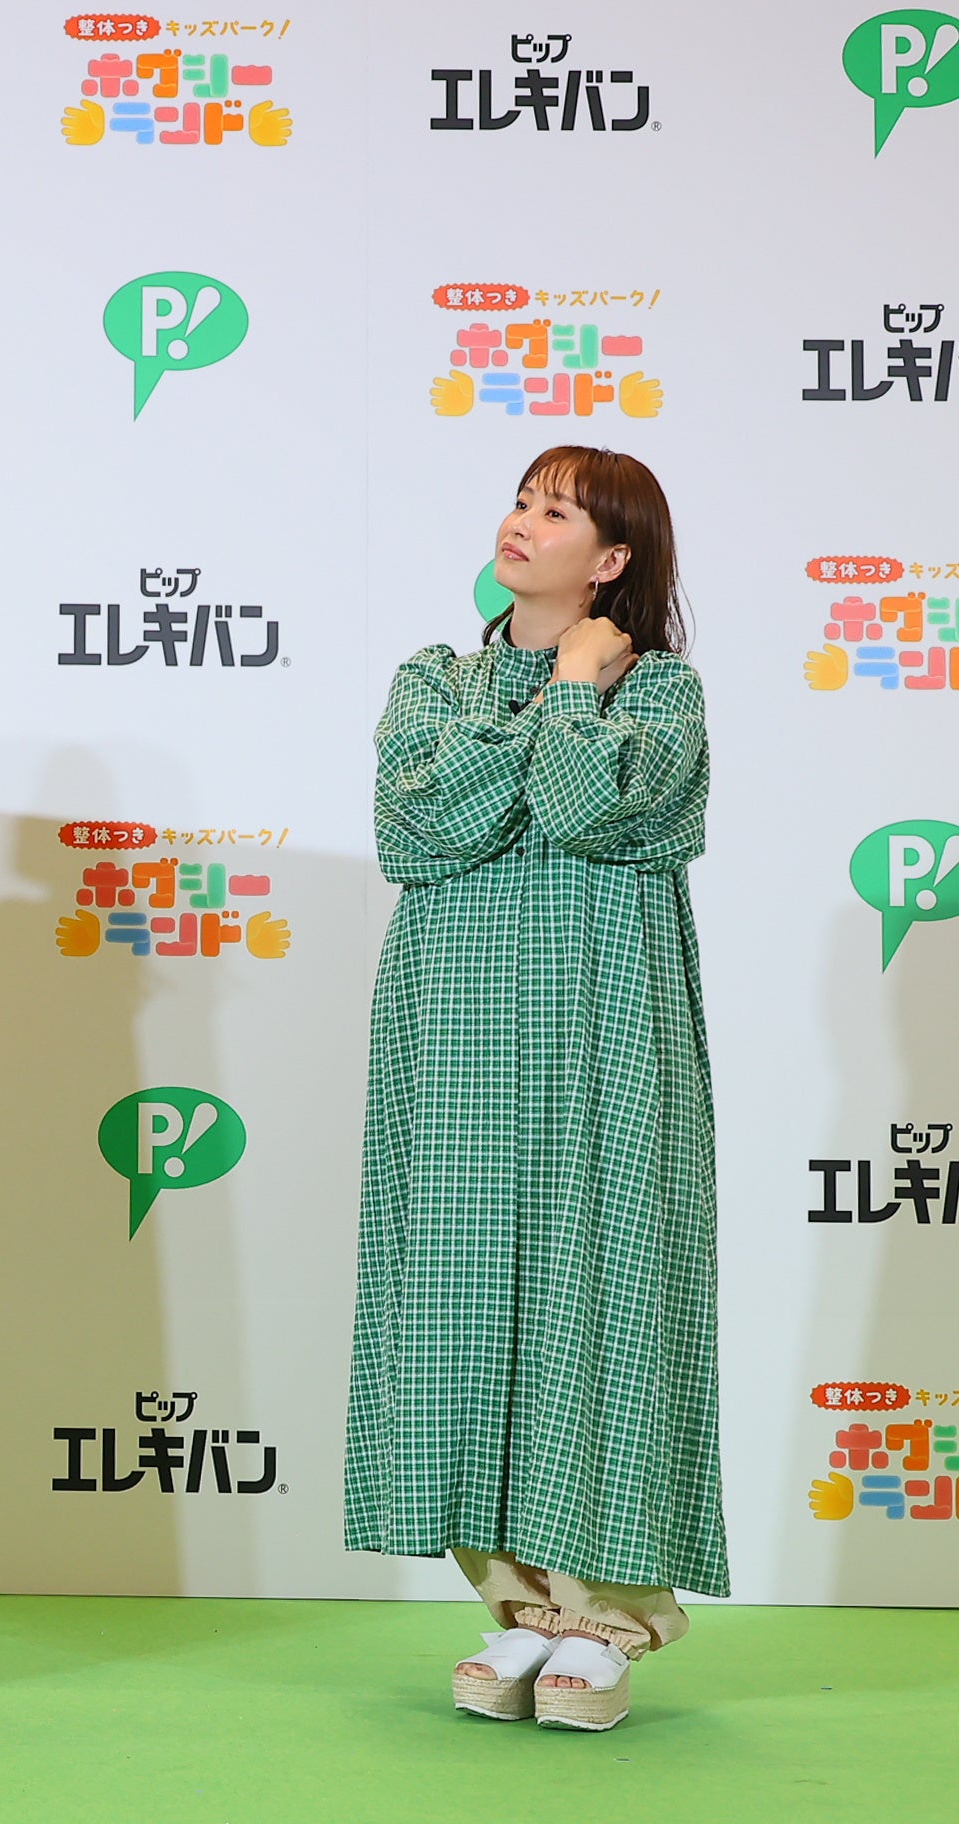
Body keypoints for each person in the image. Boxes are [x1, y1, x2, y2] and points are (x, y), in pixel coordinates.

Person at [343, 446, 723, 1733]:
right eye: (519, 500)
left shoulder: (658, 691)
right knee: (457, 1296)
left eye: (554, 512)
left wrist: (566, 692)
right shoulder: (432, 679)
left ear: (611, 560)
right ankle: (520, 1604)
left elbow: (576, 809)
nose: (520, 523)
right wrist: (554, 705)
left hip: (603, 1027)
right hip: (455, 1029)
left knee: (599, 1288)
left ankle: (605, 1616)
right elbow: (418, 826)